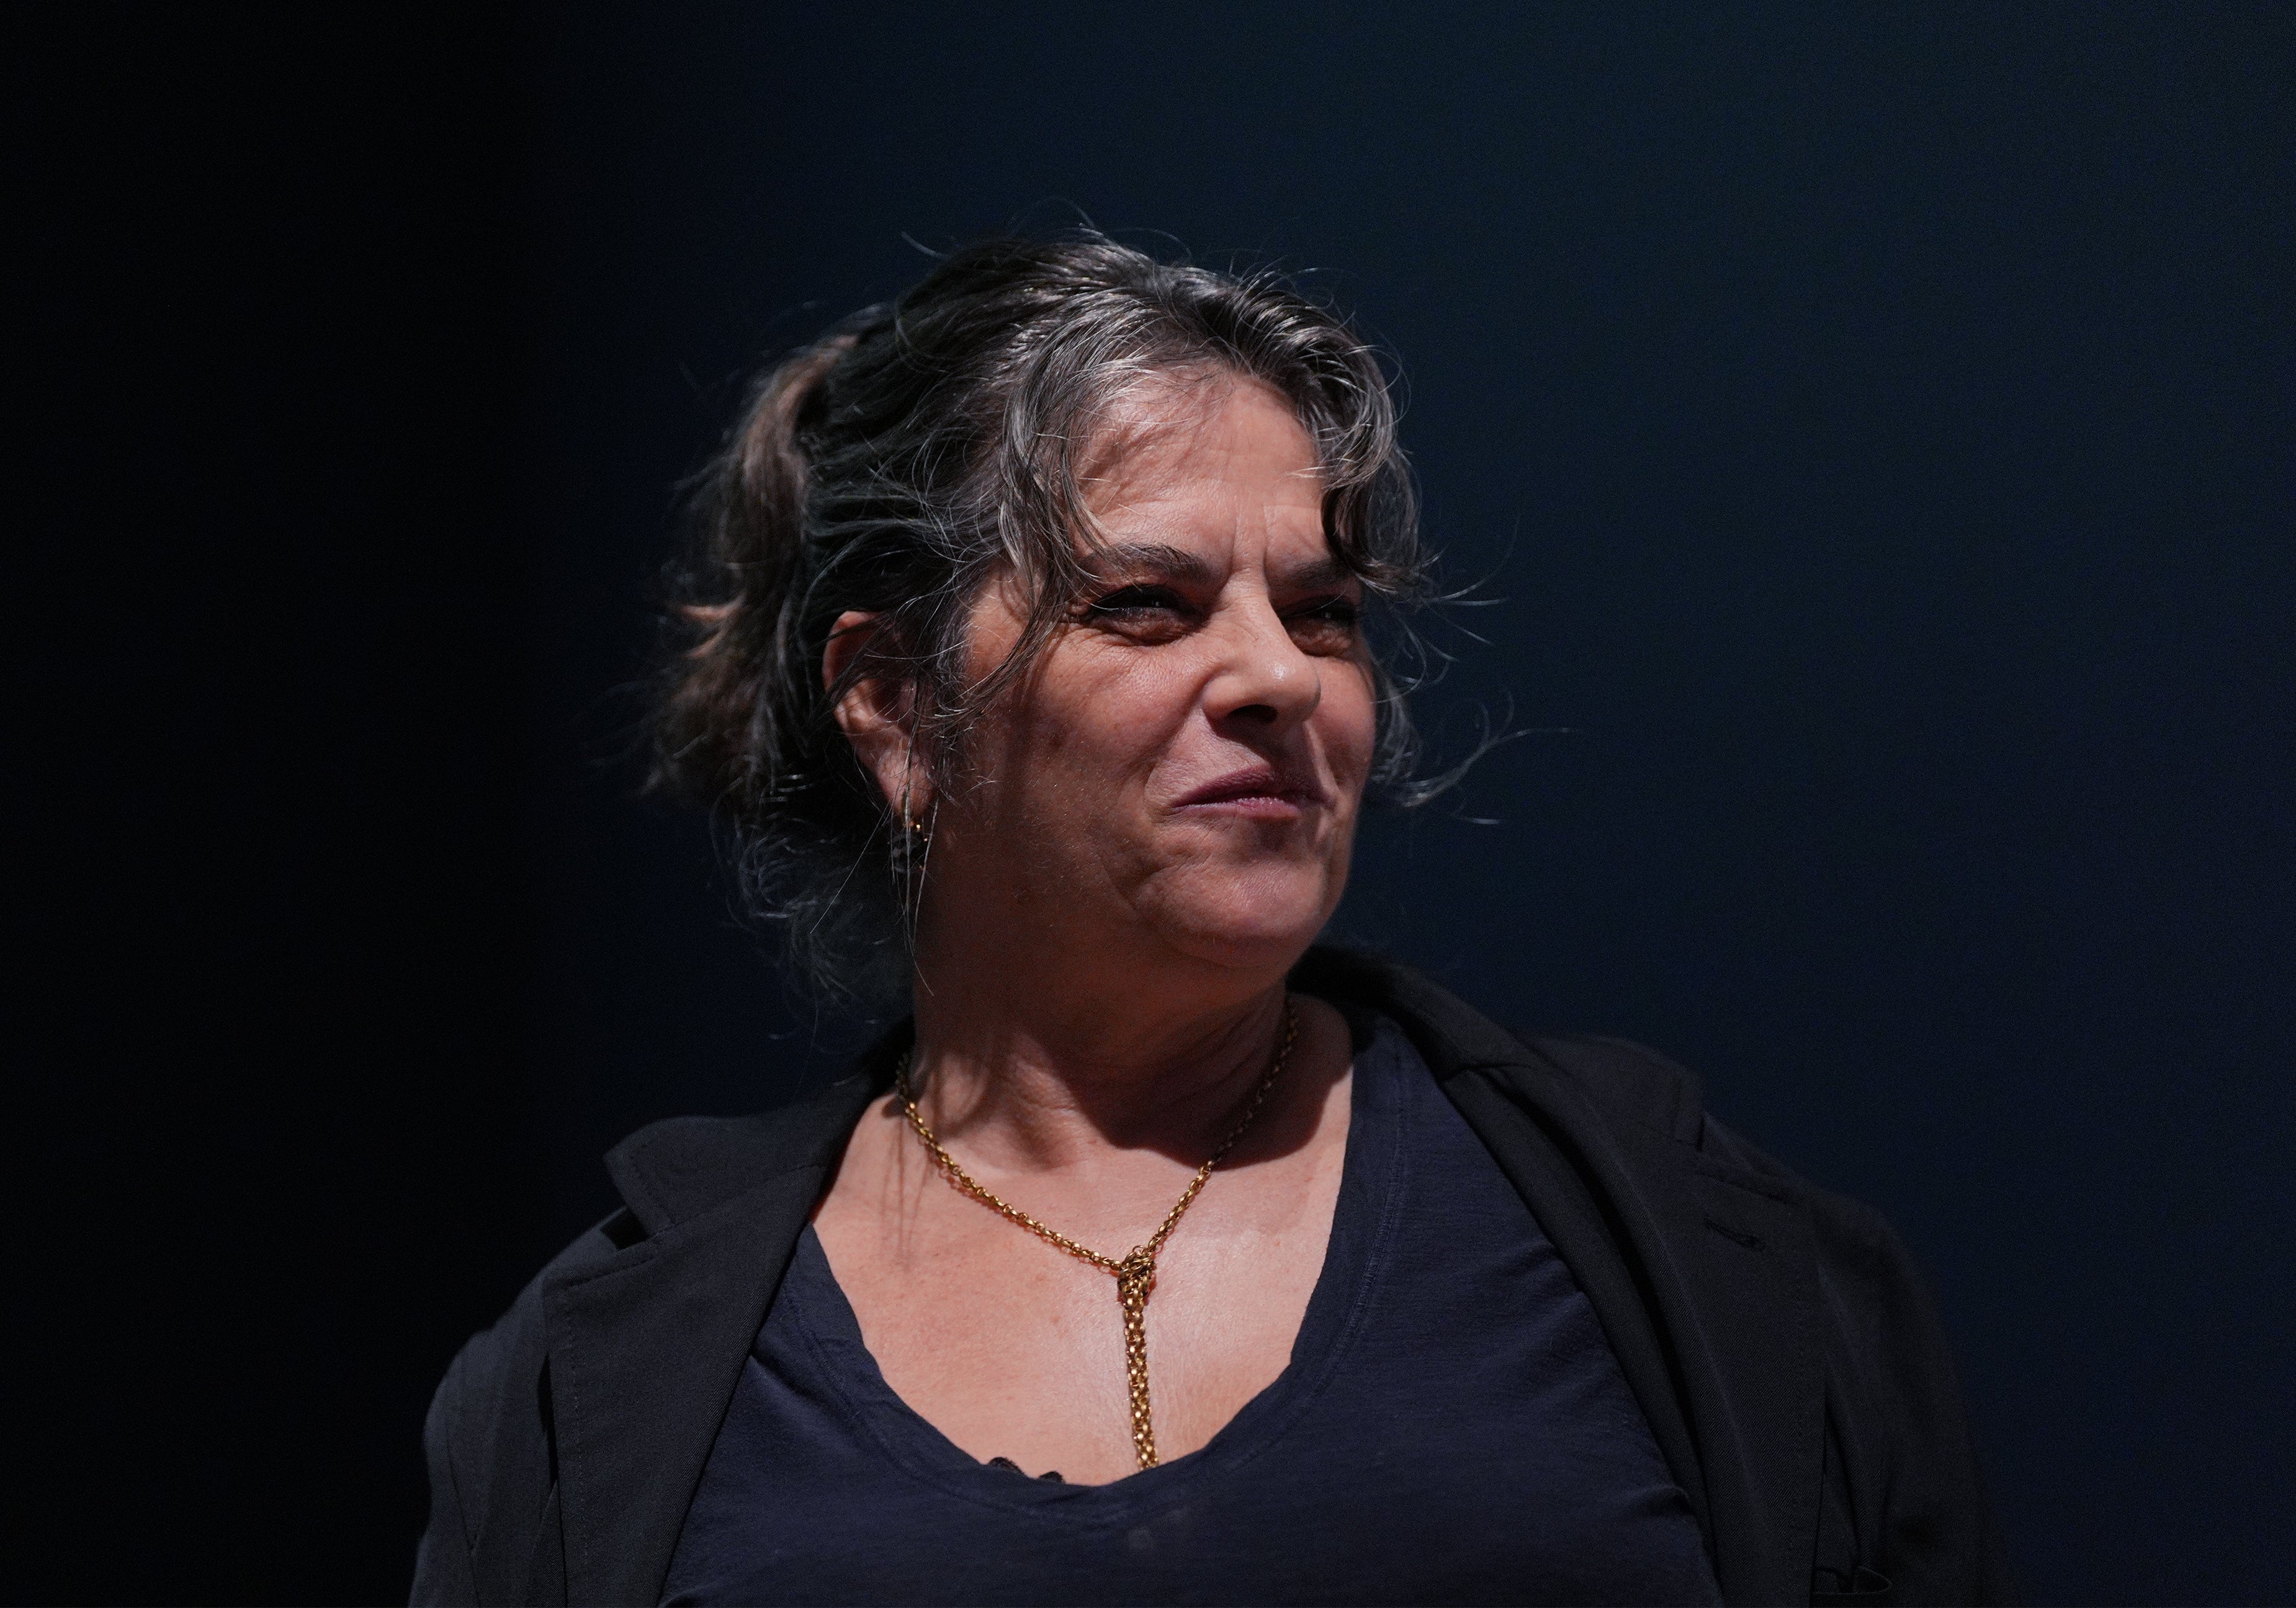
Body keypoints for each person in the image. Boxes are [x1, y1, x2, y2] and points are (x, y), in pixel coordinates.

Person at [411, 236, 2009, 1607]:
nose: (1277, 675)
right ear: (894, 704)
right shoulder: (598, 1394)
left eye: (1322, 613)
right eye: (1145, 606)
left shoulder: (1705, 1247)